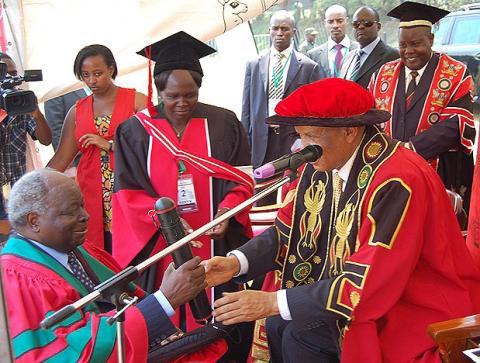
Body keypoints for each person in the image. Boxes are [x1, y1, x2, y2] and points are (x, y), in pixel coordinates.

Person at [204, 78, 480, 363]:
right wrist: (237, 262)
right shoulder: (322, 164)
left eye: (311, 136)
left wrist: (274, 301)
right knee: (279, 324)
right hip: (359, 293)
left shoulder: (397, 179)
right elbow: (289, 232)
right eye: (300, 136)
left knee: (299, 333)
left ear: (349, 131)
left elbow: (373, 280)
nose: (304, 147)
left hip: (412, 304)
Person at [112, 31, 253, 361]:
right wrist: (169, 225)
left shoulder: (223, 122)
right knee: (168, 318)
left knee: (222, 318)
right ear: (158, 90)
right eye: (173, 95)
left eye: (190, 94)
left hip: (217, 242)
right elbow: (126, 194)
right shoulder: (134, 130)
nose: (182, 103)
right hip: (162, 245)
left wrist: (228, 211)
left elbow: (243, 179)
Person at [0, 169, 227, 362]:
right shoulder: (18, 279)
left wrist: (170, 291)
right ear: (34, 221)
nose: (86, 216)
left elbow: (127, 302)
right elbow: (74, 353)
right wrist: (165, 299)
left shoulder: (79, 251)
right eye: (70, 211)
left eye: (82, 205)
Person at [369, 1, 476, 216]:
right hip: (387, 174)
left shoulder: (455, 73)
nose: (408, 51)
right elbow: (369, 117)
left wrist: (407, 151)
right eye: (402, 45)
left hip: (437, 174)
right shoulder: (383, 74)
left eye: (416, 43)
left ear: (431, 40)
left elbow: (455, 125)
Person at [47, 45, 147, 252]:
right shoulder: (77, 111)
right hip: (93, 195)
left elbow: (153, 147)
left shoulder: (136, 101)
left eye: (98, 73)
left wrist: (109, 145)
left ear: (111, 69)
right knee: (102, 251)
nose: (92, 80)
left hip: (129, 188)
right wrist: (35, 186)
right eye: (85, 75)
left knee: (135, 249)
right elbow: (61, 159)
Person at [241, 10, 323, 204]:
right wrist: (246, 140)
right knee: (261, 192)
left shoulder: (309, 66)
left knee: (292, 191)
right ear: (269, 30)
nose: (279, 33)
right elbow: (246, 106)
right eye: (275, 28)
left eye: (284, 29)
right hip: (262, 139)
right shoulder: (254, 64)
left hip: (292, 139)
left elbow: (314, 109)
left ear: (293, 32)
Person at [0, 52, 51, 222]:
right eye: (3, 72)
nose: (8, 78)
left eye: (13, 74)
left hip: (18, 188)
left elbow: (45, 140)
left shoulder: (21, 100)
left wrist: (36, 114)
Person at [340, 6, 398, 88]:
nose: (360, 27)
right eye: (356, 24)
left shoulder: (393, 56)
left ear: (378, 26)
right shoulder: (347, 58)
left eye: (367, 23)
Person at [307, 5, 358, 78]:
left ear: (346, 21)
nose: (335, 25)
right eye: (330, 22)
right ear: (325, 23)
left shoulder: (360, 50)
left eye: (339, 21)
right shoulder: (313, 55)